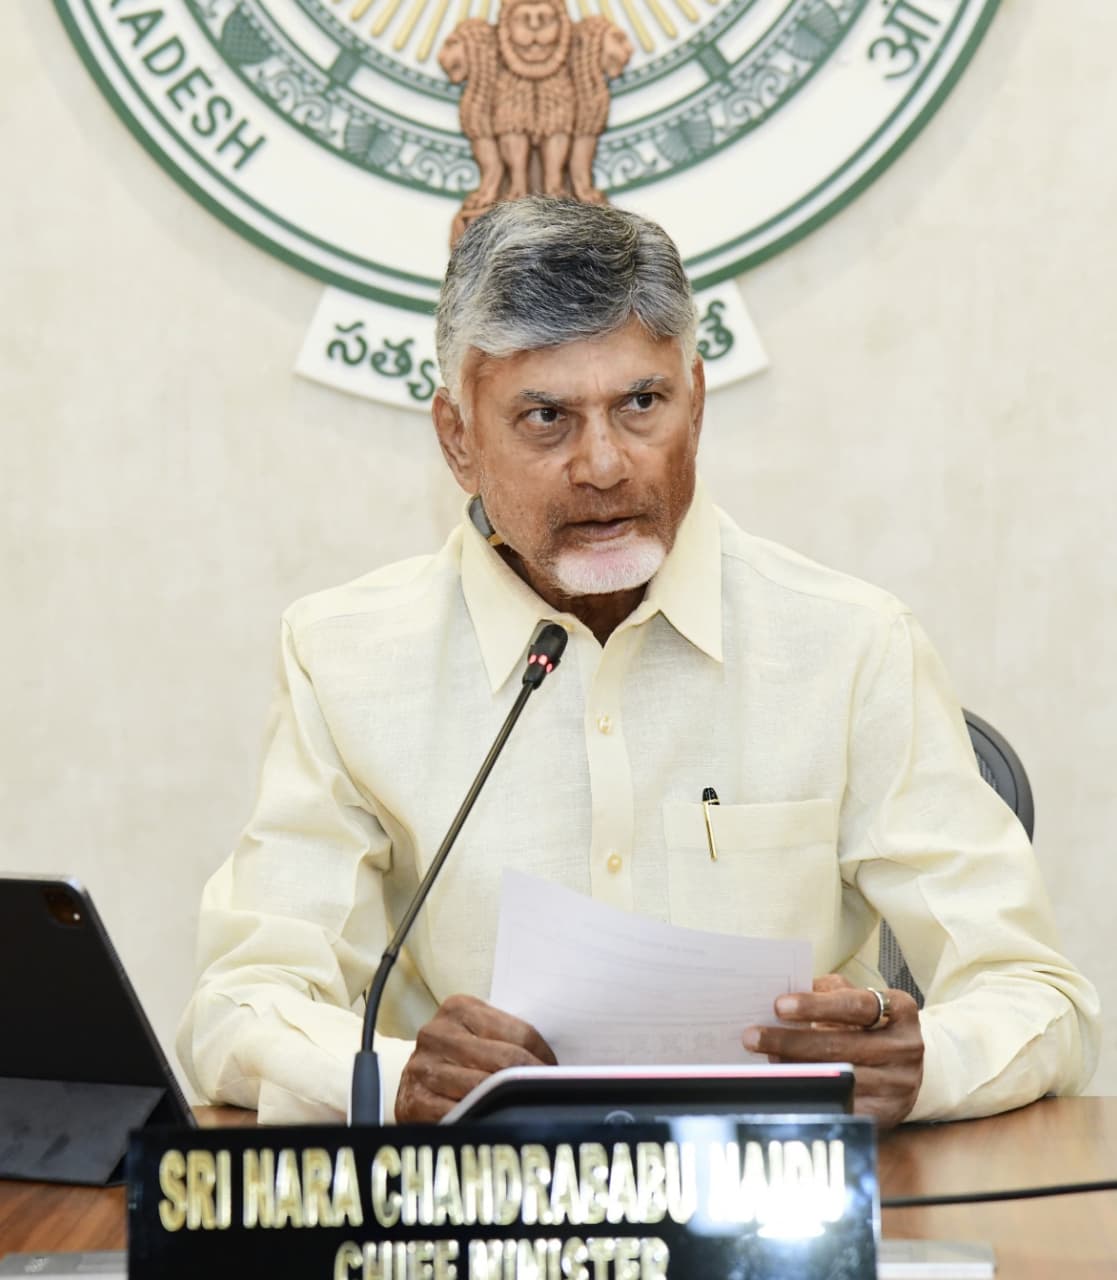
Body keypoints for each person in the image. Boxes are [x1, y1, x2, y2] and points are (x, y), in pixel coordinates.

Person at [178, 197, 1099, 1127]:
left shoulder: (850, 645)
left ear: (695, 403)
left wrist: (919, 1067)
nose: (604, 465)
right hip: (483, 1200)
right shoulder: (345, 660)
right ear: (458, 439)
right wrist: (394, 1078)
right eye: (546, 417)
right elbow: (240, 1006)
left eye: (640, 405)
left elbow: (1037, 997)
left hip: (780, 1193)